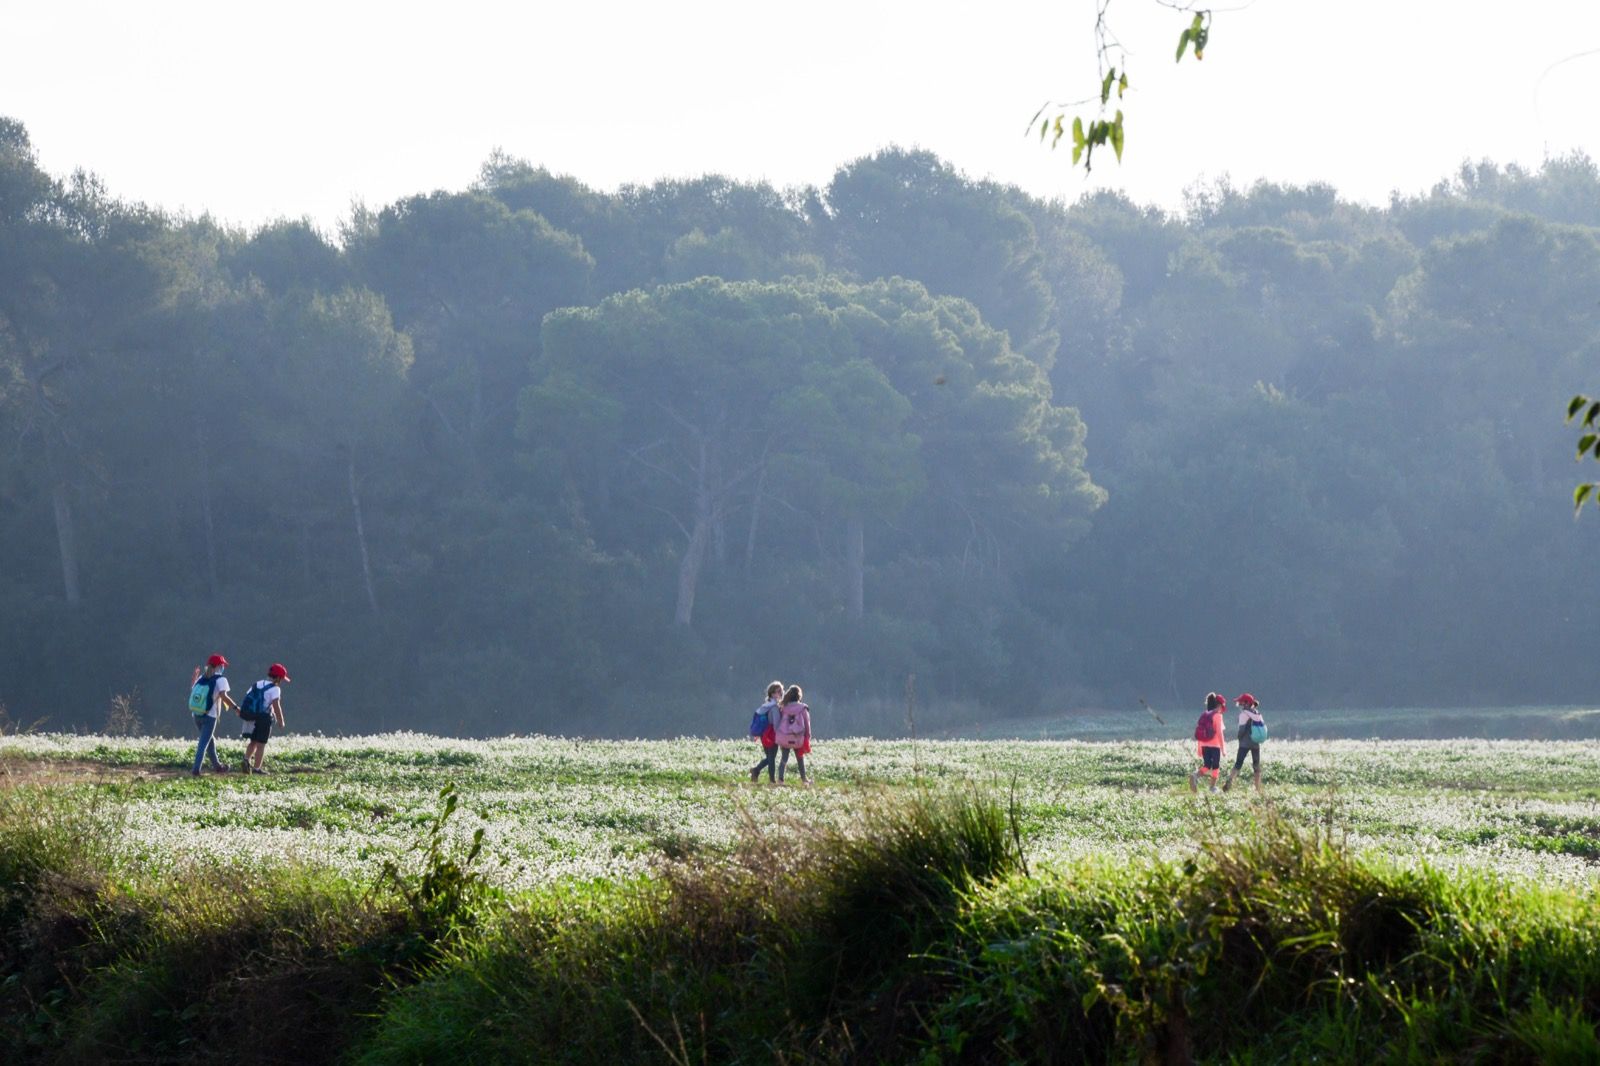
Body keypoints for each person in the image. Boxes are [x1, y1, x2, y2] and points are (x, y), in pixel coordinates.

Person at [188, 654, 237, 776]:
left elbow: (194, 692)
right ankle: (196, 769)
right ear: (219, 666)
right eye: (222, 665)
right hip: (210, 716)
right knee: (203, 743)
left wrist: (194, 678)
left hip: (196, 714)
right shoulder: (221, 680)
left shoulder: (201, 678)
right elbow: (224, 697)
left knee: (210, 741)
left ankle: (218, 766)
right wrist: (236, 708)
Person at [238, 663, 290, 774]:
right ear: (278, 678)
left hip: (252, 716)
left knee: (253, 741)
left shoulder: (257, 683)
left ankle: (246, 760)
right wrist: (281, 721)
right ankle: (257, 769)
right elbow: (276, 705)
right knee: (261, 744)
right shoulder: (275, 689)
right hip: (264, 719)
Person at [1223, 692, 1266, 793]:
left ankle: (1229, 782)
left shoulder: (1243, 714)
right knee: (1256, 766)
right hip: (1255, 742)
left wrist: (1239, 738)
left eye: (1241, 702)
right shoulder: (1256, 713)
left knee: (1238, 764)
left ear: (1246, 703)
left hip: (1244, 744)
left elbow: (1241, 730)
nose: (1239, 704)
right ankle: (1257, 789)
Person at [1189, 692, 1228, 793]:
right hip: (1215, 746)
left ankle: (1195, 776)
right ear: (1219, 705)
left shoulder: (1205, 714)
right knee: (1215, 766)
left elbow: (1200, 732)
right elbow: (1219, 733)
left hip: (1204, 745)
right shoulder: (1218, 716)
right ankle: (1212, 787)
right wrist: (1223, 748)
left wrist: (1199, 748)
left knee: (1207, 765)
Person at [773, 685, 811, 785]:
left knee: (784, 758)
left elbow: (779, 721)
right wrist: (807, 736)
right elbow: (807, 724)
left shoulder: (784, 708)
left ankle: (780, 779)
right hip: (798, 736)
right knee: (800, 758)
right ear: (799, 696)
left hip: (784, 737)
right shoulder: (803, 708)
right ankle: (804, 779)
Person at [749, 681, 783, 784]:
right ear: (772, 694)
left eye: (781, 691)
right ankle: (771, 780)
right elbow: (776, 724)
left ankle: (756, 770)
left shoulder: (765, 706)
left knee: (769, 757)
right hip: (772, 734)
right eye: (777, 692)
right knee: (771, 758)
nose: (780, 694)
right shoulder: (774, 707)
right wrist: (780, 736)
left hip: (764, 735)